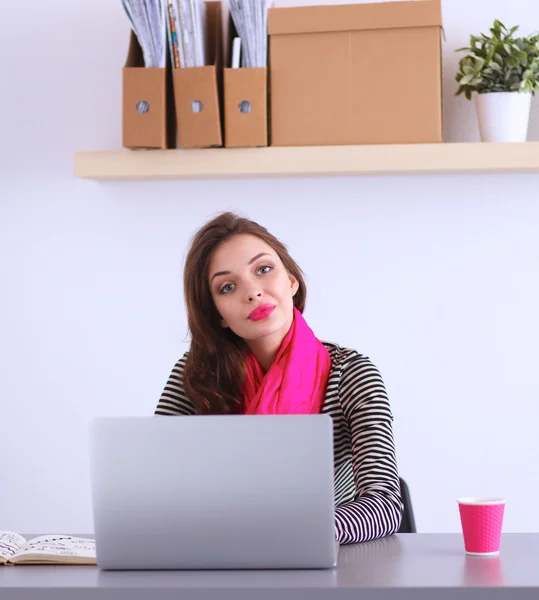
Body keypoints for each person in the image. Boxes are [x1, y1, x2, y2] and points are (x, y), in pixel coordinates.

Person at [155, 212, 404, 544]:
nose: (253, 292)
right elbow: (155, 489)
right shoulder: (195, 376)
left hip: (326, 555)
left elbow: (385, 503)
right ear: (218, 315)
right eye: (228, 286)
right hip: (221, 553)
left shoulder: (350, 373)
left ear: (291, 280)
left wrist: (294, 531)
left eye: (263, 270)